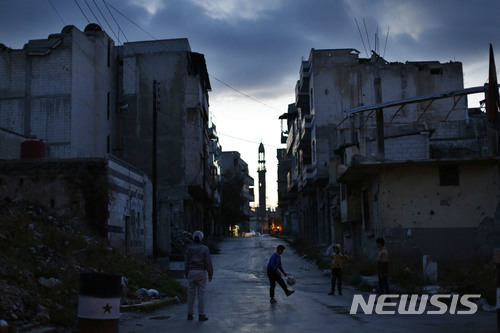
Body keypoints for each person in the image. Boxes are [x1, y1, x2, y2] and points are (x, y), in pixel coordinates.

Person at [184, 230, 213, 321]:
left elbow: (186, 262)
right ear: (201, 238)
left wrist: (186, 272)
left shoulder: (188, 248)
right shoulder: (205, 249)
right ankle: (201, 314)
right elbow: (208, 263)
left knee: (191, 294)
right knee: (201, 294)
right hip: (201, 272)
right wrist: (210, 273)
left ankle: (190, 314)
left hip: (191, 272)